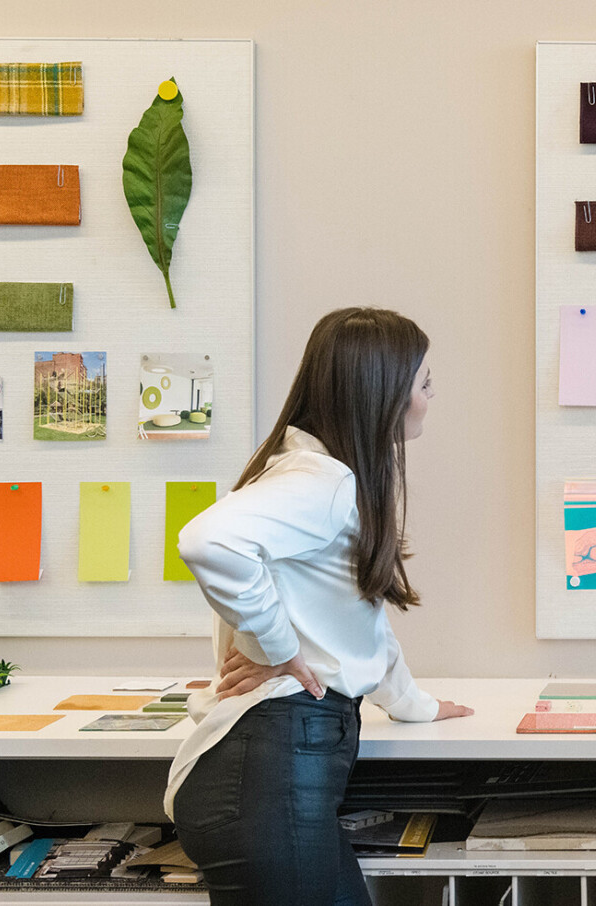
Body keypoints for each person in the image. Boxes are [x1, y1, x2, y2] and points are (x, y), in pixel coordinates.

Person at [165, 307, 474, 906]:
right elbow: (206, 542)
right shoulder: (321, 480)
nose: (430, 397)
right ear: (384, 394)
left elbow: (357, 621)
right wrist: (279, 651)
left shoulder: (325, 475)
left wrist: (414, 704)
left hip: (274, 774)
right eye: (424, 383)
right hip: (270, 774)